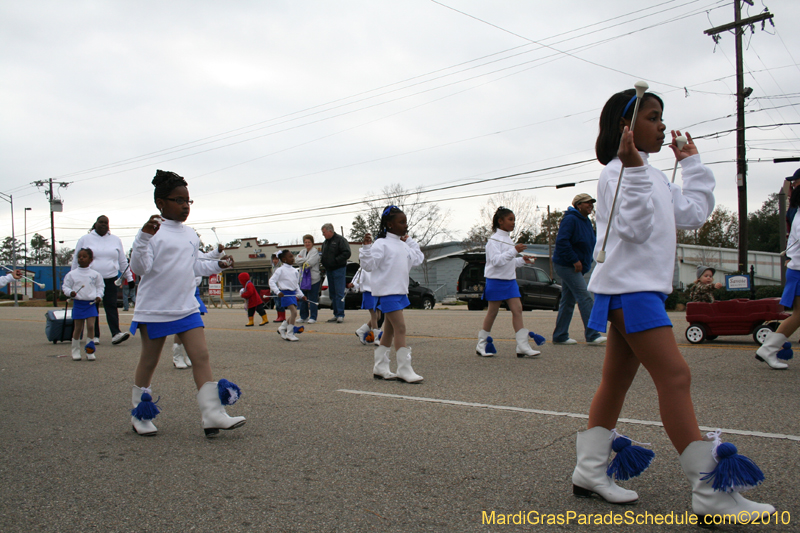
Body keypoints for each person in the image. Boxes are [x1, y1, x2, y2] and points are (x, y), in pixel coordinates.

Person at [572, 89, 773, 518]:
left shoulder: (653, 174)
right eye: (653, 117)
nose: (662, 125)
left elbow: (694, 213)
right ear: (626, 128)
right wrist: (634, 169)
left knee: (616, 381)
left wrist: (692, 165)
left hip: (637, 288)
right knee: (676, 376)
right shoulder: (616, 174)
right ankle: (709, 492)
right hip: (631, 289)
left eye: (662, 117)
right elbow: (637, 229)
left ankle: (589, 470)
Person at [128, 170, 244, 438]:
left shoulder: (190, 234)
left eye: (188, 201)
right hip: (156, 307)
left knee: (201, 355)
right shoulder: (151, 233)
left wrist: (218, 263)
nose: (184, 206)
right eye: (178, 200)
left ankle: (212, 414)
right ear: (161, 203)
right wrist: (143, 238)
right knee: (149, 361)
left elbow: (194, 265)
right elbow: (140, 268)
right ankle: (140, 414)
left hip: (186, 305)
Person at [359, 206, 424, 382]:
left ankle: (380, 367)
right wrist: (365, 249)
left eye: (406, 222)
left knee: (388, 331)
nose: (405, 225)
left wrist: (410, 241)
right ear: (389, 224)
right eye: (401, 222)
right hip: (387, 293)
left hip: (400, 292)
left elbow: (418, 258)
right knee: (400, 328)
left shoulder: (402, 245)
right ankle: (404, 369)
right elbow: (369, 265)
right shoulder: (381, 243)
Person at [475, 207, 543, 358]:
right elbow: (496, 261)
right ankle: (481, 344)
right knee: (492, 312)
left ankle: (522, 346)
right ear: (500, 221)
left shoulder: (508, 239)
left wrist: (522, 260)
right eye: (510, 219)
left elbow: (508, 262)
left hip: (510, 281)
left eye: (514, 220)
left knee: (517, 309)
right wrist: (514, 251)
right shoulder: (493, 241)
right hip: (496, 281)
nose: (513, 223)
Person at [551, 194, 606, 346]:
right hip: (567, 265)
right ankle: (593, 334)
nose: (590, 205)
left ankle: (560, 335)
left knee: (568, 301)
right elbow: (562, 242)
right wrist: (575, 260)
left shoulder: (586, 221)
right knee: (585, 297)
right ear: (578, 205)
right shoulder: (570, 219)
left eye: (591, 203)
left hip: (577, 266)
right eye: (587, 203)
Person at [756, 184, 800, 371]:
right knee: (799, 315)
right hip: (798, 270)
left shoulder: (797, 213)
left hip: (796, 269)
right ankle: (769, 349)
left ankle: (769, 348)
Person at [71, 215, 133, 345]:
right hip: (90, 278)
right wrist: (73, 278)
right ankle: (94, 335)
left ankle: (116, 333)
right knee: (93, 306)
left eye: (106, 223)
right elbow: (77, 259)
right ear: (96, 223)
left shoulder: (115, 240)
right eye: (101, 222)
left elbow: (122, 260)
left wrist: (129, 277)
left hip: (111, 278)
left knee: (111, 305)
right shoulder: (85, 239)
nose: (104, 225)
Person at [62, 248, 104, 361]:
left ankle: (90, 351)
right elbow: (65, 287)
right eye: (79, 256)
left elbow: (100, 287)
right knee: (78, 328)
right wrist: (70, 292)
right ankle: (75, 351)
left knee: (91, 326)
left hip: (90, 304)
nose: (81, 258)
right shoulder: (72, 274)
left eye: (84, 256)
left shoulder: (95, 274)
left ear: (90, 259)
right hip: (78, 304)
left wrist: (99, 296)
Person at [350, 233, 381, 345]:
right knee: (374, 315)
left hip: (376, 292)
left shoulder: (376, 265)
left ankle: (362, 330)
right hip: (368, 292)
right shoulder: (363, 268)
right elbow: (357, 279)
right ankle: (377, 336)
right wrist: (353, 285)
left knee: (378, 315)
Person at [269, 249, 306, 341]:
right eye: (290, 257)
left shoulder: (294, 271)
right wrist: (278, 292)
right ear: (284, 259)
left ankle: (282, 328)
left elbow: (296, 285)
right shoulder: (280, 270)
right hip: (285, 293)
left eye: (292, 256)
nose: (292, 258)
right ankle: (290, 333)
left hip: (292, 294)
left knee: (293, 314)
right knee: (294, 312)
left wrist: (301, 295)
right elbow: (271, 281)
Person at [320, 222, 351, 323]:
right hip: (329, 270)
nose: (323, 234)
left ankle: (341, 314)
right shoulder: (325, 243)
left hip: (339, 269)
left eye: (324, 232)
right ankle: (336, 313)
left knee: (339, 292)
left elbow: (347, 253)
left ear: (330, 231)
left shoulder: (340, 240)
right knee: (332, 293)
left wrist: (336, 260)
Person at [296, 234, 321, 324]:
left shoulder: (315, 252)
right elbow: (296, 260)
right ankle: (303, 316)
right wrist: (305, 260)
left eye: (309, 242)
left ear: (312, 243)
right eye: (305, 242)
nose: (307, 244)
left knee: (312, 298)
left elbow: (309, 263)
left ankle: (313, 317)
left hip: (313, 280)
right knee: (303, 298)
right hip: (303, 279)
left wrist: (303, 260)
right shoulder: (302, 251)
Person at [270, 255, 286, 323]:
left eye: (276, 259)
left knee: (280, 303)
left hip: (279, 287)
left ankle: (282, 316)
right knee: (276, 303)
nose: (275, 260)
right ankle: (279, 316)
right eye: (274, 259)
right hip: (274, 288)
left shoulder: (281, 267)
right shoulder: (273, 267)